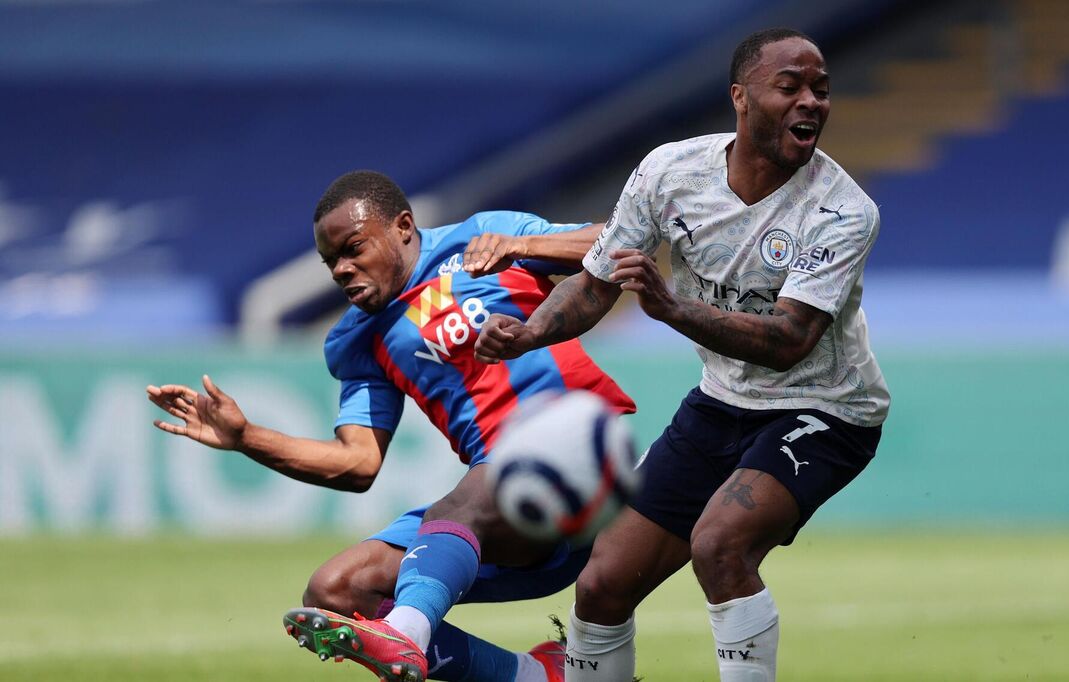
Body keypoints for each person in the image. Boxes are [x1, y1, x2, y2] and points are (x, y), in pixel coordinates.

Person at [474, 28, 889, 681]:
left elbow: (789, 341)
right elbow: (595, 284)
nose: (811, 101)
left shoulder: (842, 211)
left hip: (825, 410)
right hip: (722, 402)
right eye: (790, 86)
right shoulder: (670, 173)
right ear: (741, 97)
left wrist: (673, 309)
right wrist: (527, 333)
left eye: (821, 89)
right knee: (602, 582)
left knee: (719, 544)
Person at [147, 169, 635, 682]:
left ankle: (406, 633)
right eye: (331, 261)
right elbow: (357, 462)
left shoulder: (484, 237)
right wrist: (247, 438)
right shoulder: (356, 340)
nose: (341, 269)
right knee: (336, 592)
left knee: (456, 509)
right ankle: (535, 676)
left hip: (584, 450)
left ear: (403, 226)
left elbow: (617, 243)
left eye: (353, 248)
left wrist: (523, 244)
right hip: (508, 515)